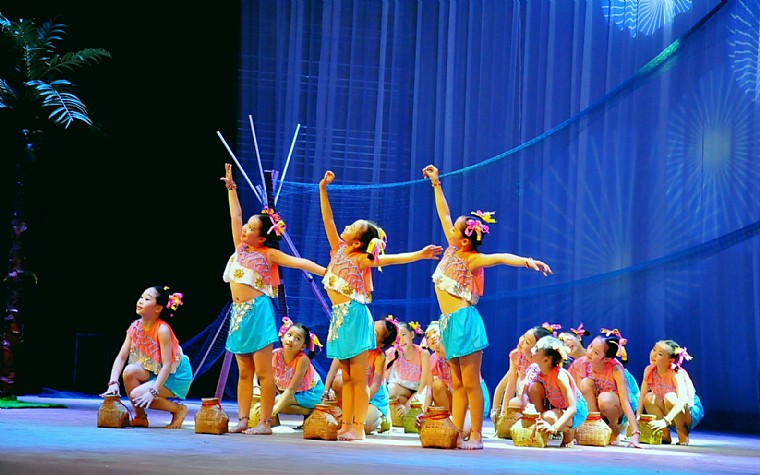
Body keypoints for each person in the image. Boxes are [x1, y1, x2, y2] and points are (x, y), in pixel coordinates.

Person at [422, 164, 553, 450]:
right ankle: (456, 432)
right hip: (448, 323)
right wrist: (436, 183)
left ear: (464, 239)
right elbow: (444, 213)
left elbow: (501, 257)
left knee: (470, 383)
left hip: (465, 322)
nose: (450, 229)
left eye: (455, 229)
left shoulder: (471, 259)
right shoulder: (452, 249)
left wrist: (528, 261)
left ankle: (477, 435)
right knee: (457, 383)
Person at [319, 170, 442, 441]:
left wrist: (420, 254)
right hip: (339, 318)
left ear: (357, 242)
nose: (346, 226)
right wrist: (323, 189)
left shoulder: (361, 259)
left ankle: (357, 426)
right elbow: (328, 219)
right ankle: (347, 423)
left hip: (354, 316)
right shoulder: (337, 249)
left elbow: (392, 259)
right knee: (346, 376)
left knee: (356, 377)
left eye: (353, 227)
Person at [221, 163, 326, 435]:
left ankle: (265, 422)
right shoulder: (240, 248)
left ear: (261, 237)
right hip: (239, 314)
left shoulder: (269, 255)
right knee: (244, 372)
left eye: (250, 228)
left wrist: (327, 272)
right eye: (246, 226)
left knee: (263, 372)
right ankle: (243, 419)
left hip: (258, 313)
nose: (244, 229)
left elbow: (300, 262)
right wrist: (232, 189)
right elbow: (235, 216)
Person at [101, 285, 192, 429]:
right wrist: (113, 382)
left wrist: (153, 391)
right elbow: (121, 357)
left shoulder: (162, 329)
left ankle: (178, 409)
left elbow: (167, 365)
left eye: (147, 299)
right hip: (156, 371)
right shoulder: (135, 327)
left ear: (158, 308)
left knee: (137, 395)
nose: (141, 301)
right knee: (129, 371)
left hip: (175, 376)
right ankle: (140, 418)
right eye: (141, 297)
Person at [323, 316, 399, 434]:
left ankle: (382, 418)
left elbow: (375, 386)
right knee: (338, 382)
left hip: (372, 398)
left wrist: (359, 406)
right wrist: (326, 392)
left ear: (380, 344)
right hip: (351, 394)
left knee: (364, 426)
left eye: (374, 333)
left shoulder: (379, 357)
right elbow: (332, 371)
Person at [422, 321, 490, 438]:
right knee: (437, 384)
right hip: (456, 400)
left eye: (439, 337)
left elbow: (470, 389)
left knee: (454, 435)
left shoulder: (462, 357)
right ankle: (447, 420)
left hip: (471, 404)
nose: (434, 339)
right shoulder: (435, 358)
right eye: (428, 336)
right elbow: (429, 389)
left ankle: (472, 428)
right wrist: (425, 414)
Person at [575, 330, 641, 446]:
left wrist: (635, 433)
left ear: (606, 359)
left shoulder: (616, 370)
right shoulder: (584, 363)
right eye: (590, 346)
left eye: (595, 352)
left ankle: (614, 428)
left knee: (604, 398)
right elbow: (579, 398)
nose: (589, 352)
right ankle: (595, 425)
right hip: (598, 408)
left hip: (615, 408)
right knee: (585, 384)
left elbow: (625, 402)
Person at [524, 335, 589, 448]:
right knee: (534, 387)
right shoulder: (536, 370)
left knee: (548, 417)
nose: (532, 350)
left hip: (575, 413)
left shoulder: (560, 376)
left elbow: (572, 408)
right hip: (557, 407)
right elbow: (525, 392)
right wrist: (528, 407)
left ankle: (568, 431)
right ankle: (543, 422)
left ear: (546, 360)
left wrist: (554, 427)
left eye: (536, 349)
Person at [636, 339, 704, 445]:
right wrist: (638, 416)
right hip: (667, 409)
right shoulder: (649, 370)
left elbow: (683, 400)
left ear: (670, 360)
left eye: (660, 354)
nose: (654, 355)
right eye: (654, 349)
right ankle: (664, 434)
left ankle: (682, 431)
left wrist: (666, 420)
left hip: (687, 412)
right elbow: (643, 394)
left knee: (670, 397)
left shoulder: (676, 373)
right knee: (649, 398)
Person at [491, 324, 554, 425]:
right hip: (523, 399)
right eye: (524, 336)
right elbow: (510, 387)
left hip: (541, 403)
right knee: (514, 403)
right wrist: (504, 412)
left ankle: (539, 421)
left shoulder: (542, 362)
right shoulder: (516, 356)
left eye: (527, 342)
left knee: (534, 387)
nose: (521, 341)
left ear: (537, 350)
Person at [268, 317, 325, 422]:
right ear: (282, 337)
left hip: (312, 393)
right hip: (295, 392)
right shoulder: (275, 354)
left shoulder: (302, 360)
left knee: (277, 403)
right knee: (274, 402)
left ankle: (311, 411)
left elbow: (292, 389)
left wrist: (273, 410)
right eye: (289, 335)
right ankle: (274, 422)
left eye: (297, 338)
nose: (291, 340)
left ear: (303, 347)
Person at [385, 321, 431, 418]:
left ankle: (408, 406)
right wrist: (389, 359)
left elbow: (423, 386)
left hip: (418, 391)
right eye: (397, 337)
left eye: (403, 334)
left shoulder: (423, 354)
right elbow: (383, 380)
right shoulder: (392, 353)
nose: (401, 340)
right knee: (390, 389)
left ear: (412, 335)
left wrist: (407, 406)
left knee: (414, 407)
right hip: (402, 389)